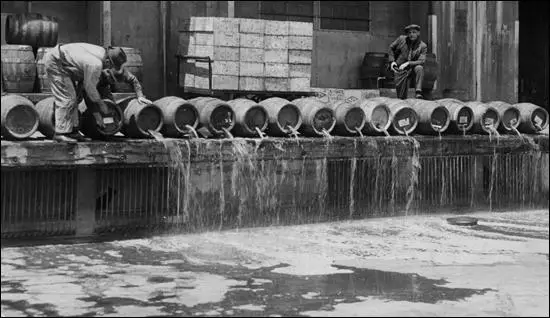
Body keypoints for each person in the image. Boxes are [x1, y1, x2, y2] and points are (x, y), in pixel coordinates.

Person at [44, 43, 151, 143]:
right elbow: (89, 91)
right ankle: (60, 133)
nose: (110, 76)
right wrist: (99, 110)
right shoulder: (95, 65)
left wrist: (140, 96)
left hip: (70, 65)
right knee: (67, 98)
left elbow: (133, 80)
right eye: (110, 73)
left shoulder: (118, 69)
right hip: (57, 61)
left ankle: (73, 131)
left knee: (75, 99)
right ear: (109, 63)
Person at [388, 24, 428, 100]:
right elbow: (391, 48)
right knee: (401, 96)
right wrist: (392, 61)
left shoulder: (423, 46)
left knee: (419, 68)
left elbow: (422, 61)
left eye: (414, 32)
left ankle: (418, 92)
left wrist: (408, 63)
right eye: (409, 33)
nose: (411, 34)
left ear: (418, 33)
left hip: (412, 69)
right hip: (400, 68)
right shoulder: (401, 39)